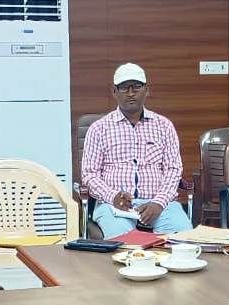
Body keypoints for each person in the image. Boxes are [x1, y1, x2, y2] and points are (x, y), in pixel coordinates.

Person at [81, 63, 191, 237]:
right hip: (114, 207)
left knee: (183, 239)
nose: (131, 93)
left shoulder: (164, 126)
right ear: (114, 92)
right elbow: (89, 174)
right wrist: (112, 196)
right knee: (125, 244)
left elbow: (173, 169)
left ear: (147, 90)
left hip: (160, 204)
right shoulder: (99, 129)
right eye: (124, 88)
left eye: (136, 87)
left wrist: (159, 202)